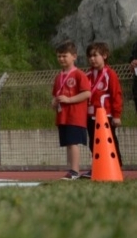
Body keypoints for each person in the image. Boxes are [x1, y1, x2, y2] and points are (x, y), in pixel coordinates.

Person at [83, 41, 123, 177]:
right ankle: (98, 166)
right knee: (93, 142)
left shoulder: (110, 74)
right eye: (90, 56)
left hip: (106, 116)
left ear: (104, 56)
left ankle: (116, 165)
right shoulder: (87, 76)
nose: (92, 59)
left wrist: (116, 115)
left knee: (110, 141)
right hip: (90, 116)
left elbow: (116, 95)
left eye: (95, 55)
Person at [52, 40, 90, 180]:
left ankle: (74, 170)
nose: (61, 59)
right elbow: (55, 94)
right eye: (59, 56)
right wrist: (54, 102)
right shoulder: (58, 76)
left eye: (64, 56)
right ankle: (72, 169)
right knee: (68, 143)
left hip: (75, 116)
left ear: (74, 56)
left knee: (73, 143)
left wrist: (69, 100)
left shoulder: (79, 74)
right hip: (63, 116)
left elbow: (87, 93)